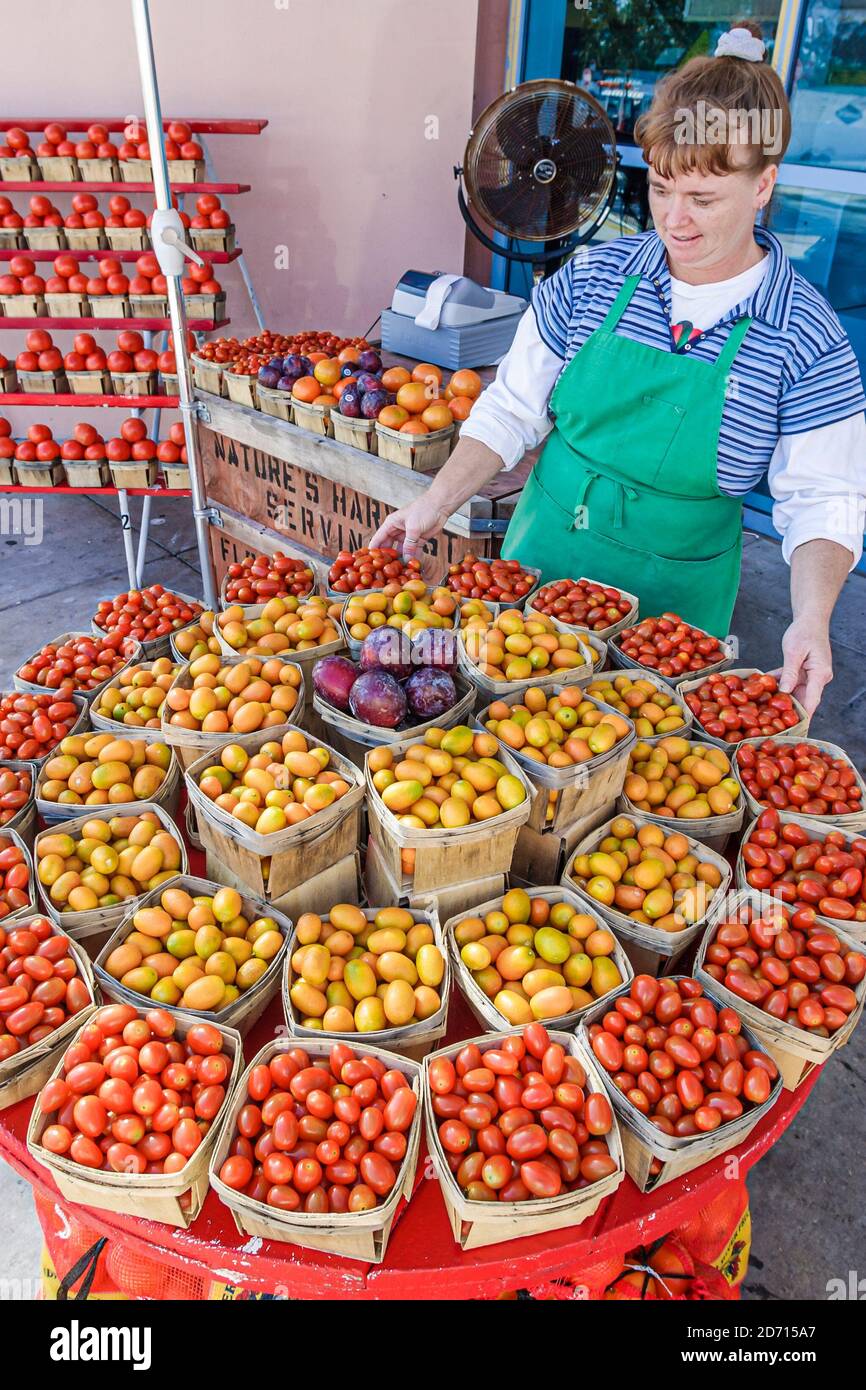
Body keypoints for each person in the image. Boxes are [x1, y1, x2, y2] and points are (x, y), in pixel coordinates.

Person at [371, 22, 866, 715]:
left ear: (764, 186)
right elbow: (510, 409)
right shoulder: (594, 276)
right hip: (539, 571)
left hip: (673, 611)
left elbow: (825, 502)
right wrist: (433, 505)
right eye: (661, 189)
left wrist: (810, 619)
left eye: (703, 199)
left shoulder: (806, 336)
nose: (675, 220)